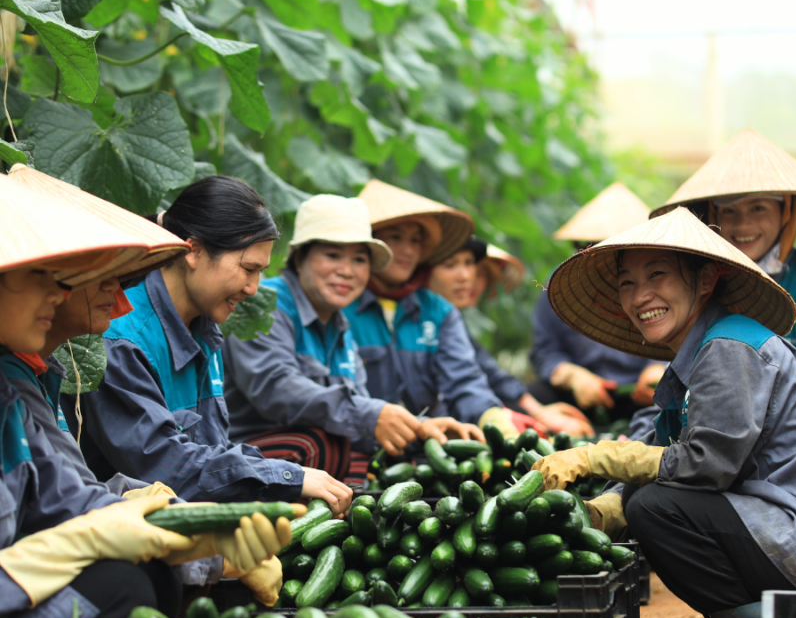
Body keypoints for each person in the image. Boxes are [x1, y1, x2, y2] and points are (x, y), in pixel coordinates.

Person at [0, 174, 291, 618]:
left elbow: (73, 498)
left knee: (151, 574)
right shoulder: (29, 382)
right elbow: (146, 472)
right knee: (123, 584)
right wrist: (78, 544)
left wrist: (200, 539)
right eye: (51, 279)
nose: (123, 301)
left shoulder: (25, 382)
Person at [530, 206, 796, 618]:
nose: (640, 296)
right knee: (641, 501)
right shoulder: (696, 357)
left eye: (657, 276)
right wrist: (599, 512)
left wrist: (596, 457)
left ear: (705, 281)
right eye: (627, 283)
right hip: (766, 525)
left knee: (656, 507)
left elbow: (704, 467)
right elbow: (658, 446)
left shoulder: (728, 347)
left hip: (787, 531)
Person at [66, 175, 352, 517]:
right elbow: (164, 467)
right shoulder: (121, 339)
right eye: (248, 269)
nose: (252, 288)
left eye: (260, 272)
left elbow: (213, 449)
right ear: (195, 251)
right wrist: (284, 476)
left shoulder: (205, 325)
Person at [224, 195, 480, 481]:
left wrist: (420, 427)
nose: (346, 271)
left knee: (404, 463)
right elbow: (276, 388)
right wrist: (372, 416)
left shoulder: (341, 326)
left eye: (359, 260)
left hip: (311, 460)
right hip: (247, 453)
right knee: (324, 445)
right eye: (333, 256)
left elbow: (358, 405)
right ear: (300, 259)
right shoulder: (263, 302)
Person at [343, 179, 521, 439]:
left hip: (429, 445)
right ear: (371, 241)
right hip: (359, 443)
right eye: (395, 237)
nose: (407, 250)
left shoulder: (439, 311)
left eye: (415, 240)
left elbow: (464, 380)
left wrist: (495, 420)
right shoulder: (342, 306)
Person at [427, 236, 593, 436]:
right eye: (450, 265)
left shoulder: (452, 322)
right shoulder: (430, 320)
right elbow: (542, 352)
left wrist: (537, 412)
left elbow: (490, 376)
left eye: (471, 266)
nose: (467, 278)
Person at [650, 128, 796, 348]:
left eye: (758, 208)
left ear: (785, 213)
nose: (742, 223)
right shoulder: (702, 279)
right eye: (729, 211)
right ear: (714, 215)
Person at [530, 183, 665, 422]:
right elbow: (544, 350)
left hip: (640, 393)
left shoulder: (656, 284)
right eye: (591, 248)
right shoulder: (557, 286)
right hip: (581, 394)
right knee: (531, 398)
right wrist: (573, 376)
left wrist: (658, 369)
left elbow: (677, 335)